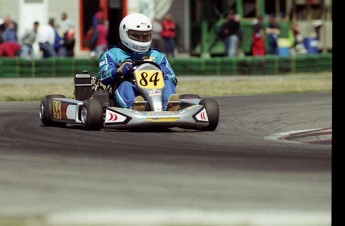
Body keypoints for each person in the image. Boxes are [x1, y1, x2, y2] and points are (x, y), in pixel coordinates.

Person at [98, 13, 179, 111]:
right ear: (124, 33)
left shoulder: (156, 55)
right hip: (129, 88)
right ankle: (135, 106)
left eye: (145, 36)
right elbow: (103, 76)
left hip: (157, 91)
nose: (141, 39)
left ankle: (169, 106)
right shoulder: (112, 54)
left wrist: (164, 75)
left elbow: (173, 78)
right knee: (125, 85)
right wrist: (118, 71)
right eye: (136, 35)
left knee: (167, 83)